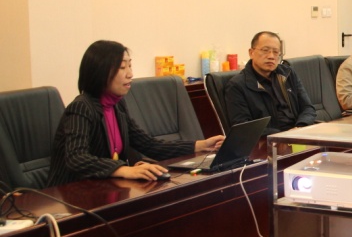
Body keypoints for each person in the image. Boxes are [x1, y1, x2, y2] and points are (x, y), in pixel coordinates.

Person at [48, 41, 225, 187]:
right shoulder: (81, 108)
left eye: (130, 66)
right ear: (100, 72)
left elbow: (148, 144)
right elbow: (77, 158)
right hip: (70, 195)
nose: (130, 74)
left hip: (106, 187)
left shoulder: (117, 105)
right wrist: (124, 169)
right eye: (122, 67)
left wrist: (201, 145)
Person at [225, 31, 317, 135]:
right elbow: (243, 126)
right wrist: (283, 135)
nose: (271, 56)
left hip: (298, 133)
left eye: (276, 52)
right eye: (265, 50)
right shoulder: (237, 85)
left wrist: (300, 127)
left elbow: (308, 108)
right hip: (269, 140)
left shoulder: (288, 74)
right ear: (251, 53)